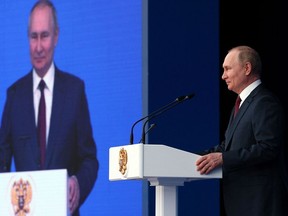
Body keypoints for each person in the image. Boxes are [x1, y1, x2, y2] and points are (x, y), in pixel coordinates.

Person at [0, 1, 98, 215]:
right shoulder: (14, 96)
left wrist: (78, 183)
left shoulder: (74, 91)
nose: (38, 47)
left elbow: (89, 159)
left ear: (56, 36)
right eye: (33, 37)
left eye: (44, 36)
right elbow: (2, 159)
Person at [196, 45, 288, 216]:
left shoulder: (264, 102)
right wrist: (193, 158)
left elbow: (268, 148)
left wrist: (223, 158)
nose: (223, 76)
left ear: (247, 68)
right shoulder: (241, 104)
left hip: (260, 203)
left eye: (227, 69)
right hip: (241, 202)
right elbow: (228, 147)